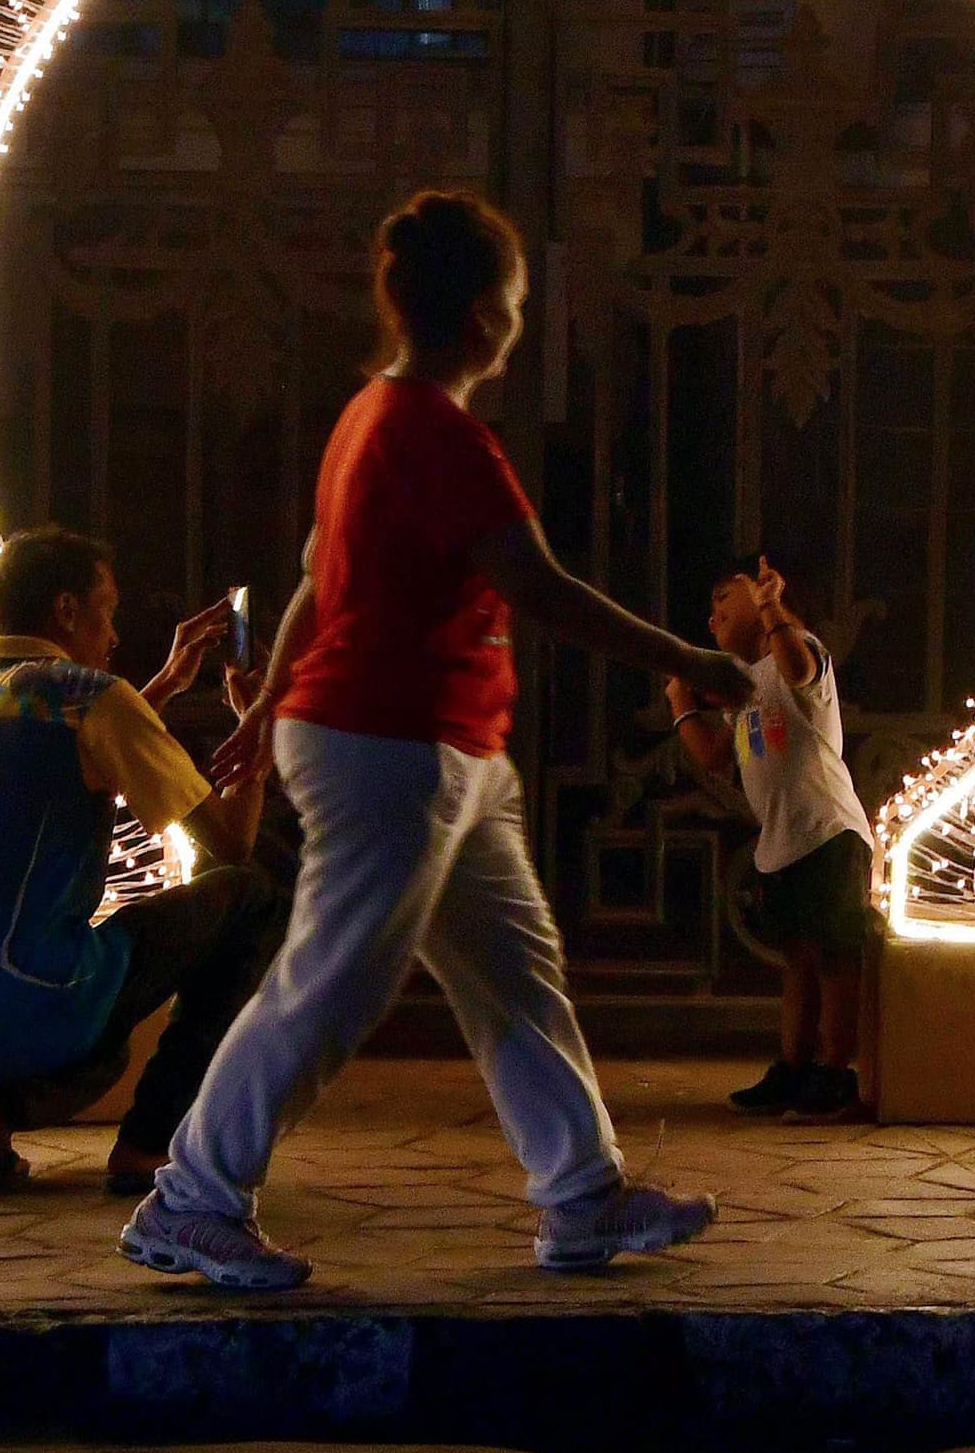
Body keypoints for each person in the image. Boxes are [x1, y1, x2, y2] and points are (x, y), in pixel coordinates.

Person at [120, 188, 756, 1291]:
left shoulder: (367, 415)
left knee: (514, 971)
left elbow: (318, 578)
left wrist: (270, 703)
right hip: (391, 740)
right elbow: (535, 584)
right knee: (331, 982)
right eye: (512, 299)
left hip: (435, 745)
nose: (518, 319)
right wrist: (689, 661)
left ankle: (581, 1197)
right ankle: (192, 1196)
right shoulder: (440, 434)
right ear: (481, 318)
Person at [0, 526, 289, 1200]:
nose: (113, 635)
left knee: (104, 985)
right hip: (32, 991)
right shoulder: (89, 695)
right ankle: (150, 1143)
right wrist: (252, 736)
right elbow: (230, 842)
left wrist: (163, 684)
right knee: (250, 894)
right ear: (65, 611)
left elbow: (64, 756)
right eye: (107, 610)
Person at [668, 557, 876, 1121]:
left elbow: (799, 669)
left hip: (827, 831)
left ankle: (835, 1075)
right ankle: (794, 1067)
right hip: (781, 842)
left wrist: (771, 611)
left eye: (723, 601)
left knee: (835, 956)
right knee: (798, 960)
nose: (712, 617)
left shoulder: (796, 648)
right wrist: (681, 706)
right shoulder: (743, 686)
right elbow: (714, 758)